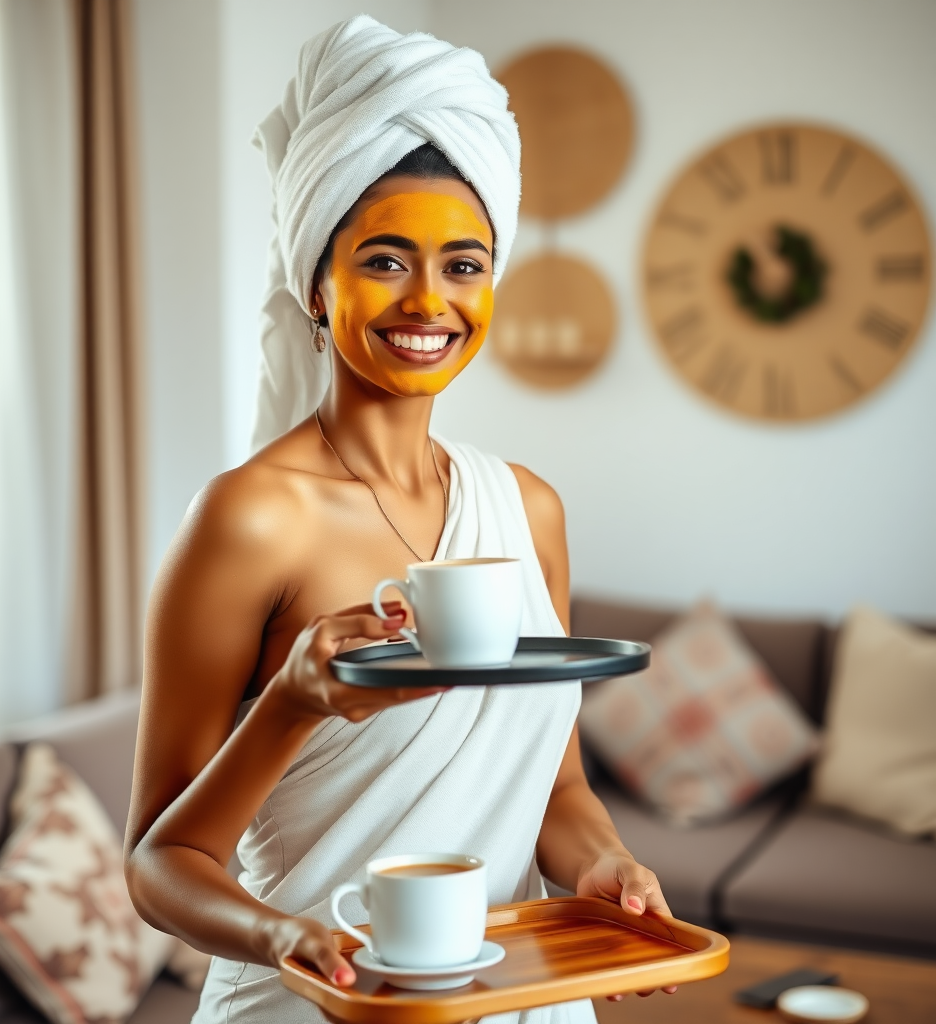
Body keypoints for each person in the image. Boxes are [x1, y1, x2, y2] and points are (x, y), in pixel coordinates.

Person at [124, 16, 675, 1023]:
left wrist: (609, 865)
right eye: (385, 260)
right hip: (314, 999)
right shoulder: (248, 518)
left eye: (464, 265)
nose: (429, 300)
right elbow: (161, 864)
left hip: (518, 995)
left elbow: (557, 796)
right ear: (316, 279)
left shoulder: (528, 507)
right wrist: (290, 715)